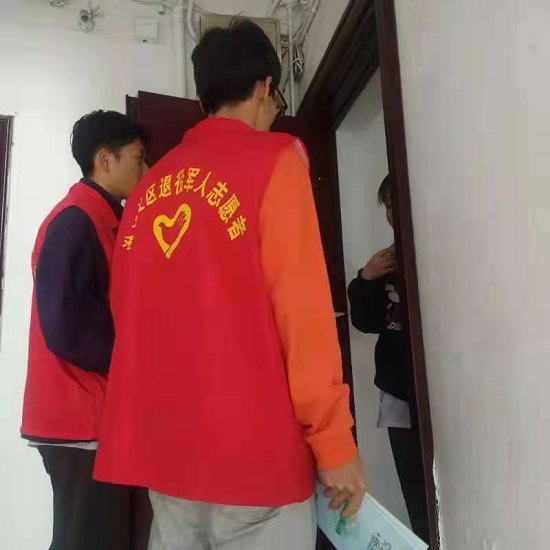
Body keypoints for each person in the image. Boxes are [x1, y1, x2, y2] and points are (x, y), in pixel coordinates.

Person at [93, 19, 366, 550]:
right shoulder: (276, 162)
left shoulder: (146, 192)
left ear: (204, 97)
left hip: (168, 458)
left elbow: (126, 314)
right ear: (265, 87)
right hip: (255, 460)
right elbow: (303, 316)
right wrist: (334, 443)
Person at [20, 110, 151, 550]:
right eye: (138, 158)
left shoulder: (99, 219)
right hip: (79, 418)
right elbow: (64, 324)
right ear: (105, 160)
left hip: (87, 418)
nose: (146, 169)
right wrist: (134, 359)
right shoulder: (76, 222)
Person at [347, 175, 429, 542]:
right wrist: (366, 278)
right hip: (398, 392)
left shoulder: (435, 248)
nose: (392, 213)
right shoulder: (387, 260)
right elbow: (366, 322)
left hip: (440, 388)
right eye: (388, 206)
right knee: (417, 494)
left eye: (397, 202)